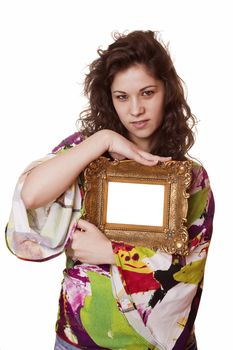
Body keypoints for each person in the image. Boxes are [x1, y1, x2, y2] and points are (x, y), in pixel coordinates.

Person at [6, 30, 214, 350]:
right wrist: (102, 140)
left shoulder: (190, 177)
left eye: (147, 93)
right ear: (109, 98)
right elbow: (31, 197)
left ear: (167, 91)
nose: (135, 109)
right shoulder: (87, 153)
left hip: (153, 344)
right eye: (122, 97)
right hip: (78, 340)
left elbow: (186, 267)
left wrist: (109, 253)